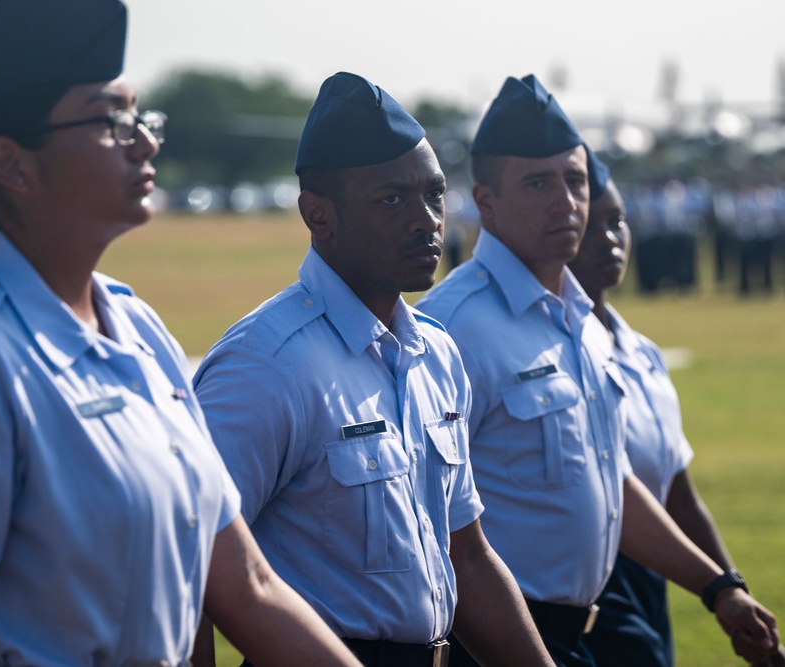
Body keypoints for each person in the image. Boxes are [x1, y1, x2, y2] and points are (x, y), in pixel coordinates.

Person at [0, 2, 361, 666]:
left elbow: (250, 588)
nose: (146, 141)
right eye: (112, 119)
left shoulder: (139, 330)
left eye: (141, 115)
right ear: (12, 164)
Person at [415, 74, 779, 666]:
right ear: (485, 201)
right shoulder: (450, 330)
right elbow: (429, 524)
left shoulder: (580, 319)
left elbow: (610, 482)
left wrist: (718, 588)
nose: (567, 202)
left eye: (576, 180)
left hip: (582, 634)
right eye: (539, 183)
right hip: (493, 640)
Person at [193, 71, 553, 667]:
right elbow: (192, 562)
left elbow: (466, 555)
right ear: (318, 215)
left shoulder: (434, 353)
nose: (426, 220)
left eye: (434, 194)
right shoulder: (267, 365)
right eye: (391, 199)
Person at [570, 178, 785, 667]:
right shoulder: (548, 355)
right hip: (594, 574)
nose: (609, 238)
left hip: (660, 568)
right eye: (589, 226)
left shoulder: (643, 351)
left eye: (617, 222)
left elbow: (680, 494)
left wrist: (729, 589)